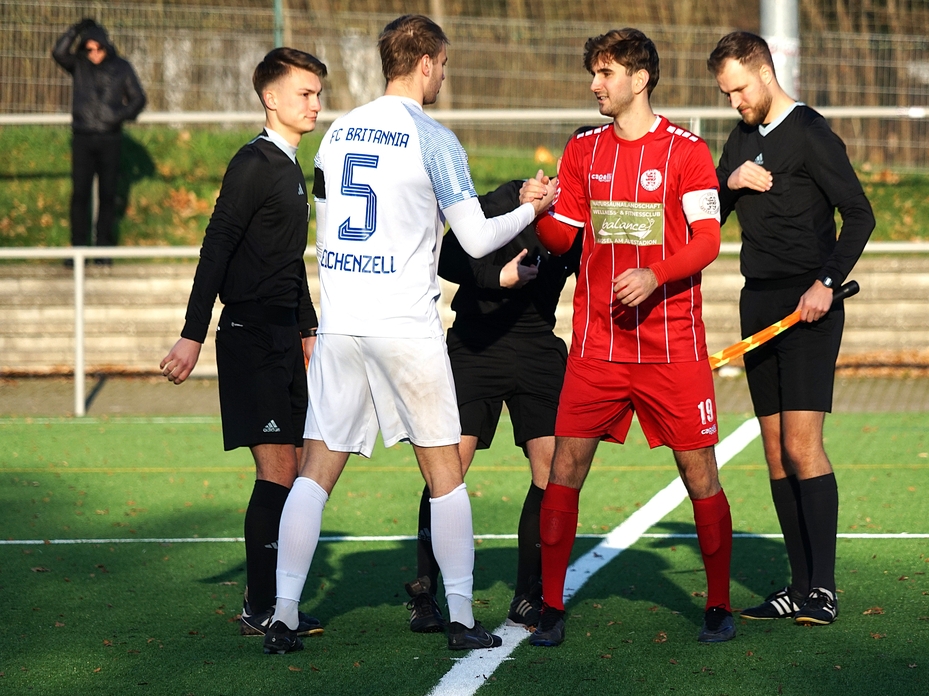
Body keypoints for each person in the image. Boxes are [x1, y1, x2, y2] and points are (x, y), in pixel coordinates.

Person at [264, 14, 556, 655]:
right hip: (404, 326)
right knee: (446, 474)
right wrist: (530, 209)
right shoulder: (433, 137)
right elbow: (476, 239)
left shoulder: (337, 132)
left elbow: (326, 221)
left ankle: (282, 617)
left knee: (314, 474)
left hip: (343, 323)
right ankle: (461, 618)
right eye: (443, 65)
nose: (443, 76)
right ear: (426, 63)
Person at [528, 27, 734, 647]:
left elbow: (708, 240)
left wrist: (655, 274)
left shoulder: (687, 151)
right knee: (564, 469)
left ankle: (717, 605)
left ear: (640, 79)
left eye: (607, 73)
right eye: (594, 73)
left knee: (700, 474)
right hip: (598, 348)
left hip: (673, 349)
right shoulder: (583, 150)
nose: (596, 85)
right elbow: (562, 239)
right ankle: (550, 605)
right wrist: (540, 210)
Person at [158, 48, 328, 640]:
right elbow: (218, 246)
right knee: (278, 470)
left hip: (284, 335)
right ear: (271, 99)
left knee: (298, 469)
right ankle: (262, 607)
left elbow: (289, 262)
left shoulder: (292, 167)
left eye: (318, 93)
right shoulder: (253, 163)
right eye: (305, 93)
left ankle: (279, 602)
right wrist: (191, 334)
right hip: (249, 336)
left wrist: (307, 329)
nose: (315, 104)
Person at [708, 31, 875, 626]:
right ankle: (799, 587)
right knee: (776, 453)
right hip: (757, 304)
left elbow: (860, 214)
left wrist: (826, 283)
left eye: (739, 90)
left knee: (803, 447)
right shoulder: (738, 139)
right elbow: (707, 216)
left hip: (810, 307)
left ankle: (823, 590)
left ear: (764, 72)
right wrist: (729, 181)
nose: (735, 102)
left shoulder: (809, 132)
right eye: (726, 95)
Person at [403, 177, 581, 634]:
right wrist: (498, 276)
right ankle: (425, 592)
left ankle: (528, 595)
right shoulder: (505, 198)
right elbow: (445, 256)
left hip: (537, 346)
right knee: (449, 467)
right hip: (476, 345)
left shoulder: (581, 219)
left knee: (551, 470)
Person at [52, 18, 146, 264]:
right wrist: (75, 29)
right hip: (82, 138)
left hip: (110, 140)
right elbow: (58, 52)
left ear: (106, 46)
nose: (94, 53)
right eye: (89, 49)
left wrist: (118, 115)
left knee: (108, 195)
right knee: (79, 195)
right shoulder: (79, 64)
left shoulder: (122, 67)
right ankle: (78, 250)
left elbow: (138, 99)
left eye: (98, 48)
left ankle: (103, 248)